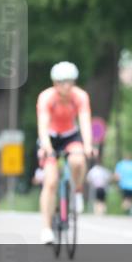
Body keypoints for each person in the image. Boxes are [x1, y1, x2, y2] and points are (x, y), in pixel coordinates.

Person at [36, 61, 93, 244]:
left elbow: (84, 121)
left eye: (69, 81)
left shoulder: (80, 97)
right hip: (50, 136)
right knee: (51, 182)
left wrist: (88, 145)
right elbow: (43, 125)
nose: (66, 86)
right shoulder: (46, 97)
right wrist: (47, 148)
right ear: (55, 83)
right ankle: (46, 228)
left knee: (78, 160)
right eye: (61, 82)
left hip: (70, 135)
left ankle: (76, 191)